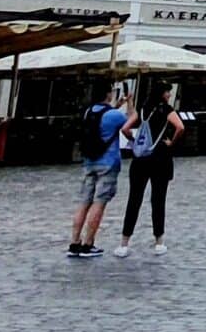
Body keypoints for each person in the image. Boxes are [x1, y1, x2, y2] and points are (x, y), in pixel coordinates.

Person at [115, 84, 185, 258]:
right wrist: (171, 142)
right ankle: (159, 241)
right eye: (168, 91)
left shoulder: (144, 109)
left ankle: (124, 243)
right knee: (158, 199)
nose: (169, 94)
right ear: (162, 94)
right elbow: (180, 127)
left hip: (141, 158)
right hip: (160, 158)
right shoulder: (166, 109)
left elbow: (125, 128)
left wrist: (135, 141)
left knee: (134, 199)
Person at [68, 84, 130, 260]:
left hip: (89, 161)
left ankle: (74, 242)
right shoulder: (114, 115)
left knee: (84, 202)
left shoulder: (89, 112)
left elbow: (104, 120)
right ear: (108, 94)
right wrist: (129, 103)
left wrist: (117, 106)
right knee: (99, 202)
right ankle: (88, 244)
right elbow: (132, 121)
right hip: (108, 162)